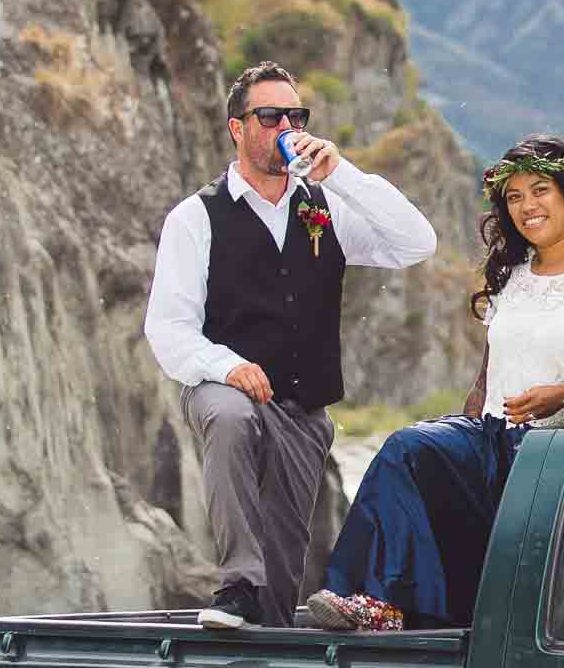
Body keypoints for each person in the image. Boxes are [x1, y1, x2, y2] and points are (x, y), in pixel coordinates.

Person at [304, 134, 564, 631]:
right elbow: (486, 378)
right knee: (411, 448)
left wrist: (562, 394)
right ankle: (375, 600)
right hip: (492, 443)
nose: (526, 206)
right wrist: (459, 445)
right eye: (514, 197)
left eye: (540, 191)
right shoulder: (511, 275)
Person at [145, 62, 437, 629]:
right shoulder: (195, 218)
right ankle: (235, 583)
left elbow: (417, 243)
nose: (287, 124)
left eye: (296, 115)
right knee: (230, 418)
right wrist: (226, 366)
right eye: (270, 115)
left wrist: (342, 173)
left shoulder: (325, 206)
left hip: (304, 409)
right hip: (223, 390)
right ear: (238, 128)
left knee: (282, 576)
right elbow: (168, 328)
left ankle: (260, 643)